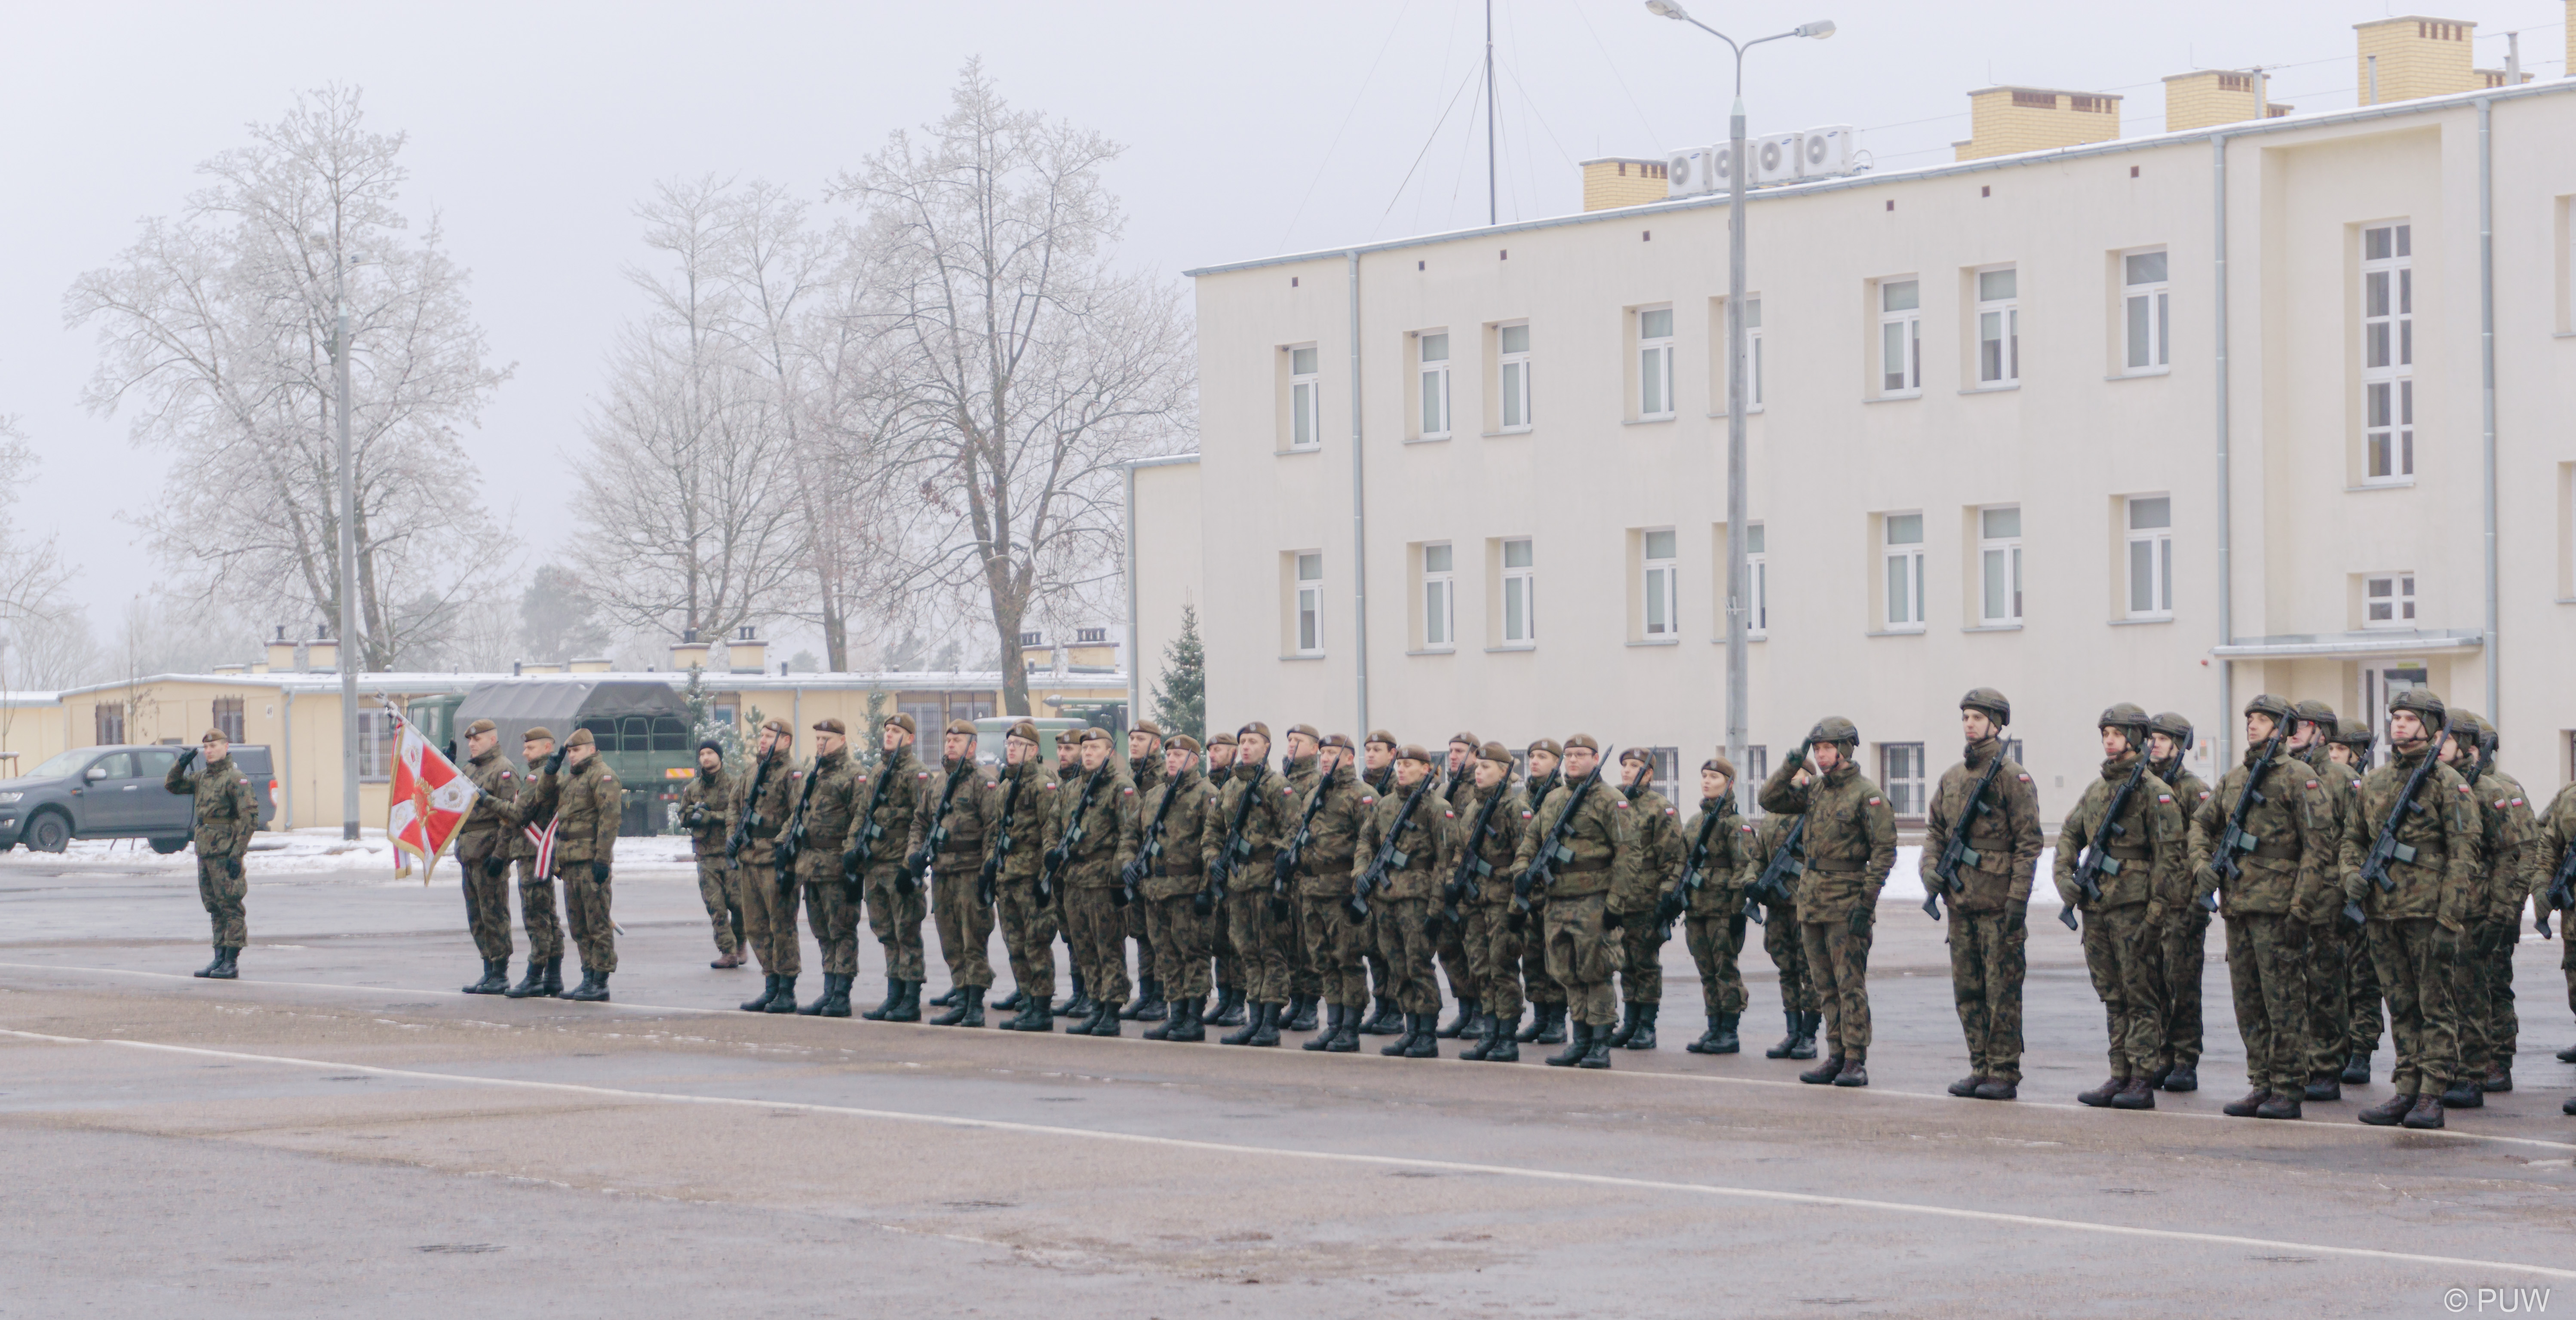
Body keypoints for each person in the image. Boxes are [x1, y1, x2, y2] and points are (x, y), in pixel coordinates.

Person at [2189, 695, 2337, 1119]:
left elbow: (2317, 847)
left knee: (2284, 1001)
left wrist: (2301, 907)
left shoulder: (2300, 777)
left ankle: (2288, 1086)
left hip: (2279, 909)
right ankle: (2262, 1081)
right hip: (2239, 906)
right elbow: (2201, 823)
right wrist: (2201, 865)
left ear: (2282, 728)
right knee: (2248, 1002)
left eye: (2262, 719)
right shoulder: (2235, 779)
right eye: (2250, 718)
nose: (2252, 725)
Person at [2340, 690, 2480, 1130]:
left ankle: (2432, 1094)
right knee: (2400, 1005)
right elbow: (2353, 838)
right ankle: (2406, 1088)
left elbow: (2463, 856)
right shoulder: (2375, 782)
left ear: (2431, 727)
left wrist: (2448, 920)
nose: (2398, 724)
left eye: (2408, 718)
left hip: (2427, 913)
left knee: (2434, 1005)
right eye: (2395, 717)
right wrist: (2350, 875)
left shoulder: (2448, 784)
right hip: (2383, 912)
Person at [2055, 704, 2185, 1111]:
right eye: (2105, 734)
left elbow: (2169, 859)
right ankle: (2119, 1073)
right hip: (2097, 907)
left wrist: (2156, 913)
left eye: (2116, 733)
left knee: (2140, 995)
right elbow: (2068, 836)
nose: (2108, 741)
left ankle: (2142, 1078)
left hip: (2134, 908)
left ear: (2134, 738)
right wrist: (2064, 879)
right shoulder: (2096, 790)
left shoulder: (2154, 792)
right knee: (2112, 996)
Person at [1759, 718, 1897, 1088]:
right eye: (1817, 749)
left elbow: (1884, 852)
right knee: (1824, 986)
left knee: (1848, 985)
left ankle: (1855, 1059)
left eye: (1827, 748)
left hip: (1846, 903)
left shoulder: (1866, 795)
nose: (1820, 755)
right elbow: (1768, 799)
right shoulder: (1815, 790)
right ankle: (1835, 1054)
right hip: (1811, 901)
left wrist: (1865, 903)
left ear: (1845, 750)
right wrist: (1793, 761)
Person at [1924, 689, 2045, 1101]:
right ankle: (1979, 1066)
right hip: (1960, 904)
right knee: (1968, 992)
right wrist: (1930, 870)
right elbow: (1935, 831)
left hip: (1997, 904)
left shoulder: (2012, 777)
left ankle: (2003, 1071)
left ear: (1996, 723)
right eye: (1965, 717)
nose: (1969, 724)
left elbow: (2029, 843)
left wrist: (2017, 899)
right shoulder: (1952, 778)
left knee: (2002, 993)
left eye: (1977, 717)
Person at [1514, 734, 1640, 1070]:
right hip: (1557, 900)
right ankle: (1580, 1041)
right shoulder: (1553, 799)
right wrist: (1521, 872)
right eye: (1569, 755)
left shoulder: (1611, 800)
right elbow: (1531, 842)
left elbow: (1628, 854)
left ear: (1595, 759)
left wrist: (1616, 903)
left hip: (1593, 900)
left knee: (1595, 972)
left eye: (1580, 755)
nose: (1573, 760)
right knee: (1567, 973)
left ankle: (1600, 1045)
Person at [2438, 711, 2536, 1106]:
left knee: (2491, 986)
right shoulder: (2439, 785)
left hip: (2487, 906)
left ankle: (2496, 1059)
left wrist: (2508, 910)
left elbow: (2520, 852)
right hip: (2452, 907)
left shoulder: (2501, 788)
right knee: (2454, 992)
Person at [1354, 743, 1455, 1058]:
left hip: (1417, 899)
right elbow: (1366, 840)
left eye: (1409, 764)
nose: (1401, 769)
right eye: (1400, 764)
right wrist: (1361, 871)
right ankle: (1411, 1029)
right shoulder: (1385, 804)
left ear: (1426, 769)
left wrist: (1436, 906)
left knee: (1418, 964)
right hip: (1385, 898)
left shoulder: (1437, 808)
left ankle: (1427, 1033)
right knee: (1397, 964)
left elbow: (1446, 861)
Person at [2289, 701, 2362, 1102]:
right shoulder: (2283, 774)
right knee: (2291, 986)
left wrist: (2346, 890)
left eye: (2301, 726)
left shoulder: (2341, 778)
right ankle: (2295, 1063)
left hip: (2328, 895)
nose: (2292, 732)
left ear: (2320, 732)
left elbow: (2357, 837)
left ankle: (2326, 1066)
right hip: (2289, 894)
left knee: (2325, 985)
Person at [1210, 722, 1295, 1046]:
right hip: (1237, 883)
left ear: (1267, 747)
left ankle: (1270, 1023)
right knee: (1247, 952)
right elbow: (1213, 831)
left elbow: (1294, 829)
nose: (1246, 747)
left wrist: (1282, 861)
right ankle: (1254, 1019)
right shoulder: (1230, 787)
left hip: (1266, 881)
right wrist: (1213, 860)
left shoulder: (1278, 786)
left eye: (1253, 742)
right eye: (1243, 742)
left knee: (1271, 952)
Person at [1668, 757, 1760, 1055]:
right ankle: (1714, 1026)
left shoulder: (1736, 824)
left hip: (1723, 910)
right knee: (1706, 970)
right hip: (1697, 908)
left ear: (1729, 784)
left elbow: (1744, 868)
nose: (1707, 781)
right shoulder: (1694, 822)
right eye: (1704, 776)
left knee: (1725, 970)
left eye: (1714, 777)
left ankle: (1729, 1031)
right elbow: (1682, 863)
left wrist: (1738, 911)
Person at [2144, 712, 2215, 1091]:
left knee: (2182, 985)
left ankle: (2185, 1059)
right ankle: (2163, 1055)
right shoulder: (2142, 785)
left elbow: (2207, 843)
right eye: (2151, 738)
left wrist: (2197, 902)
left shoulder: (2193, 789)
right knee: (2153, 983)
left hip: (2182, 903)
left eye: (2162, 739)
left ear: (2180, 745)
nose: (2154, 744)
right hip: (2150, 903)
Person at [1129, 733, 1216, 1041]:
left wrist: (1206, 890)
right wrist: (1128, 863)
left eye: (1179, 756)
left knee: (1193, 954)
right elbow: (1131, 834)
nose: (1172, 760)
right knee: (1166, 955)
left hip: (1188, 891)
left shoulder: (1207, 794)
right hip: (1155, 889)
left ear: (1193, 760)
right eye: (1169, 755)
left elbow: (1213, 843)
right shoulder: (1154, 795)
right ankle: (1175, 1015)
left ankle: (1194, 1019)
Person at [1051, 728, 1137, 1034]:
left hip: (1103, 882)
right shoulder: (1071, 788)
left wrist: (1118, 878)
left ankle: (1111, 1011)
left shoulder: (1121, 787)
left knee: (1108, 949)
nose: (1088, 754)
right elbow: (1053, 826)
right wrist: (1051, 853)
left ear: (1109, 753)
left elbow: (1130, 834)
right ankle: (1096, 1005)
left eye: (1095, 749)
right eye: (1085, 749)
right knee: (1085, 949)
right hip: (1074, 880)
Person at [915, 720, 1001, 1027]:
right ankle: (961, 998)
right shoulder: (938, 782)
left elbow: (994, 829)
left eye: (957, 741)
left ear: (972, 747)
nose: (950, 745)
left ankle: (975, 1006)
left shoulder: (983, 783)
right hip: (942, 871)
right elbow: (920, 821)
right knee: (950, 941)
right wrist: (914, 853)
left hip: (970, 872)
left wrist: (988, 868)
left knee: (972, 940)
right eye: (948, 740)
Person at [1452, 741, 1532, 1061]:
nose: (1479, 772)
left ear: (1503, 772)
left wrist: (1518, 906)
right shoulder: (1473, 808)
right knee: (1480, 968)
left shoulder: (1515, 809)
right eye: (1478, 767)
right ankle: (1490, 1032)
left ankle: (1507, 1037)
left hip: (1501, 902)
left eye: (1486, 767)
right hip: (1474, 901)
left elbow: (1525, 858)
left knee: (1502, 969)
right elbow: (1460, 851)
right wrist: (1454, 884)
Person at [531, 726, 623, 1002]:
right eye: (569, 751)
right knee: (578, 925)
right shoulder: (570, 780)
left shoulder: (602, 776)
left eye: (577, 750)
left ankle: (601, 980)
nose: (572, 756)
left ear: (592, 750)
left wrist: (602, 859)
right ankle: (588, 977)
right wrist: (550, 771)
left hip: (591, 861)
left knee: (598, 923)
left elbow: (609, 820)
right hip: (570, 862)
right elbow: (541, 797)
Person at [1295, 734, 1373, 1053]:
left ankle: (1350, 1030)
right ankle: (1334, 1025)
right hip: (1313, 890)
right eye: (1323, 753)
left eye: (1333, 753)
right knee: (1324, 961)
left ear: (1350, 758)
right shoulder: (1315, 794)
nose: (1326, 758)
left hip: (1342, 892)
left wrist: (1359, 894)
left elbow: (1369, 845)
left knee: (1348, 961)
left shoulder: (1362, 796)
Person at [165, 729, 261, 979]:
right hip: (206, 850)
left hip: (225, 851)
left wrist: (237, 854)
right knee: (214, 906)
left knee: (231, 906)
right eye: (206, 748)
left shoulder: (235, 779)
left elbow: (249, 818)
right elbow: (172, 786)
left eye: (214, 746)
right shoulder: (202, 778)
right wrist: (180, 765)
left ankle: (231, 961)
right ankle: (219, 957)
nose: (209, 751)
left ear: (226, 747)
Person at [2323, 721, 2388, 1084]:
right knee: (2331, 979)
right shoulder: (2322, 784)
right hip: (2326, 894)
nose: (2333, 756)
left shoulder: (2362, 789)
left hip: (2357, 894)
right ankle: (2337, 1047)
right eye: (2330, 749)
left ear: (2357, 754)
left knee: (2363, 978)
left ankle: (2361, 1050)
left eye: (2341, 750)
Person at [1608, 748, 1683, 1050]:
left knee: (1645, 963)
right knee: (1625, 962)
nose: (1627, 770)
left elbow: (1672, 859)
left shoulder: (1660, 808)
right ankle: (1630, 1022)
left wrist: (1666, 897)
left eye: (1634, 766)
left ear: (1649, 773)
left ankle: (1646, 1026)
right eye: (1624, 765)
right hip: (1620, 898)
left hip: (1647, 898)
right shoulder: (1614, 802)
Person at [989, 723, 1061, 1031]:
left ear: (1033, 750)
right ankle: (1028, 1002)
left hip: (1031, 878)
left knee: (1036, 943)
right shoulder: (1006, 786)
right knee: (1015, 945)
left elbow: (1051, 833)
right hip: (1008, 876)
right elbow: (997, 831)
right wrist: (991, 869)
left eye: (1018, 744)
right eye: (1009, 744)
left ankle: (1042, 1008)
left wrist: (1045, 879)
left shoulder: (1043, 785)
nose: (1011, 749)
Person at [857, 713, 930, 1021]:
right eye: (887, 730)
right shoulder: (877, 771)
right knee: (886, 932)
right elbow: (863, 814)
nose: (889, 735)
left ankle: (911, 1000)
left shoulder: (918, 774)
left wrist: (908, 867)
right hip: (875, 865)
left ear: (910, 738)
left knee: (907, 933)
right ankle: (894, 995)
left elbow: (923, 822)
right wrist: (853, 850)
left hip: (900, 866)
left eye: (897, 731)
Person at [730, 718, 803, 1013]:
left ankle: (786, 990)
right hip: (750, 858)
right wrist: (733, 836)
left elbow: (799, 813)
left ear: (786, 741)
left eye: (770, 736)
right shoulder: (752, 771)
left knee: (781, 926)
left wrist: (782, 844)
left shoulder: (792, 773)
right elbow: (734, 806)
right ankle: (770, 984)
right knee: (755, 927)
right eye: (761, 735)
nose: (763, 740)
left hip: (776, 859)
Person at [792, 718, 863, 1017]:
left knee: (841, 931)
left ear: (842, 740)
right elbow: (799, 814)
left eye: (827, 739)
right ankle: (829, 990)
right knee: (822, 931)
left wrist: (851, 856)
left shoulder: (854, 775)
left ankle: (842, 995)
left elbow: (860, 818)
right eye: (818, 739)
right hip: (812, 865)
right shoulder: (815, 773)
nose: (821, 744)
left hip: (836, 866)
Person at [453, 718, 523, 994]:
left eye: (477, 739)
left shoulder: (504, 771)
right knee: (477, 916)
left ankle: (500, 972)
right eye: (470, 740)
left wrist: (501, 855)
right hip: (469, 851)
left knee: (494, 914)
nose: (472, 744)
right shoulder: (469, 769)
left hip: (489, 851)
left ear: (492, 740)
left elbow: (510, 816)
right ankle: (488, 968)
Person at [1747, 802, 1820, 1060]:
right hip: (1778, 906)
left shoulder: (1814, 812)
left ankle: (1808, 1035)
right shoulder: (1772, 817)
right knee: (1786, 969)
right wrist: (1752, 882)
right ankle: (1793, 1032)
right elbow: (1758, 858)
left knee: (1810, 970)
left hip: (1806, 904)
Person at [502, 727, 568, 999]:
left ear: (547, 748)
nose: (525, 752)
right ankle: (553, 976)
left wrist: (489, 801)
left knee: (536, 916)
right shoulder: (549, 775)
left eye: (530, 748)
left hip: (534, 853)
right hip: (541, 852)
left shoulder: (537, 776)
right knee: (548, 915)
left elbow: (520, 814)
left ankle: (535, 976)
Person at [1514, 739, 1571, 1046]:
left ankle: (1557, 1021)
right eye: (1532, 756)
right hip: (1528, 888)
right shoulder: (1522, 799)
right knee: (1532, 956)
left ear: (1557, 763)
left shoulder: (1566, 798)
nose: (1534, 761)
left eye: (1542, 757)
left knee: (1555, 956)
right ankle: (1539, 1017)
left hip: (1554, 889)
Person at [1433, 730, 1484, 1036]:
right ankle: (1465, 1010)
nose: (1453, 756)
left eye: (1460, 751)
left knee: (1473, 950)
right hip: (1444, 879)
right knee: (1449, 949)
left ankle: (1480, 1012)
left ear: (1476, 756)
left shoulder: (1480, 790)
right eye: (1451, 751)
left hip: (1469, 881)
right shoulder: (1443, 790)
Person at [1118, 721, 1169, 1024]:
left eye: (1141, 739)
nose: (1134, 743)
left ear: (1156, 743)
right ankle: (1147, 994)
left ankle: (1161, 997)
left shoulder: (1165, 778)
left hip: (1157, 869)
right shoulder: (1129, 777)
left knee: (1158, 936)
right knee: (1141, 934)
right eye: (1132, 738)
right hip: (1134, 870)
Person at [678, 738, 744, 970]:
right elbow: (682, 815)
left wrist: (712, 816)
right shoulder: (694, 789)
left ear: (719, 756)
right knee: (716, 906)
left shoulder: (734, 784)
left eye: (710, 753)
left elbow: (740, 815)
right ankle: (728, 952)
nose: (706, 758)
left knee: (738, 904)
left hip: (731, 854)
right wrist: (692, 815)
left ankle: (740, 940)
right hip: (706, 856)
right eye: (702, 754)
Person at [1354, 730, 1403, 1036]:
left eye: (1377, 749)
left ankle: (1395, 1010)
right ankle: (1382, 1005)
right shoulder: (1361, 788)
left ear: (1392, 754)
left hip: (1392, 880)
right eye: (1368, 749)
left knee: (1391, 949)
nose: (1371, 754)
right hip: (1366, 878)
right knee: (1372, 947)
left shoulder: (1400, 790)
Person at [1201, 731, 1247, 1027]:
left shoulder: (1242, 784)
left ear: (1234, 753)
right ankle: (1225, 998)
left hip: (1242, 874)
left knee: (1237, 942)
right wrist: (1213, 860)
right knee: (1219, 942)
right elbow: (1211, 831)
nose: (1213, 755)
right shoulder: (1211, 786)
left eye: (1219, 750)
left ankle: (1238, 1003)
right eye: (1211, 750)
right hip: (1216, 874)